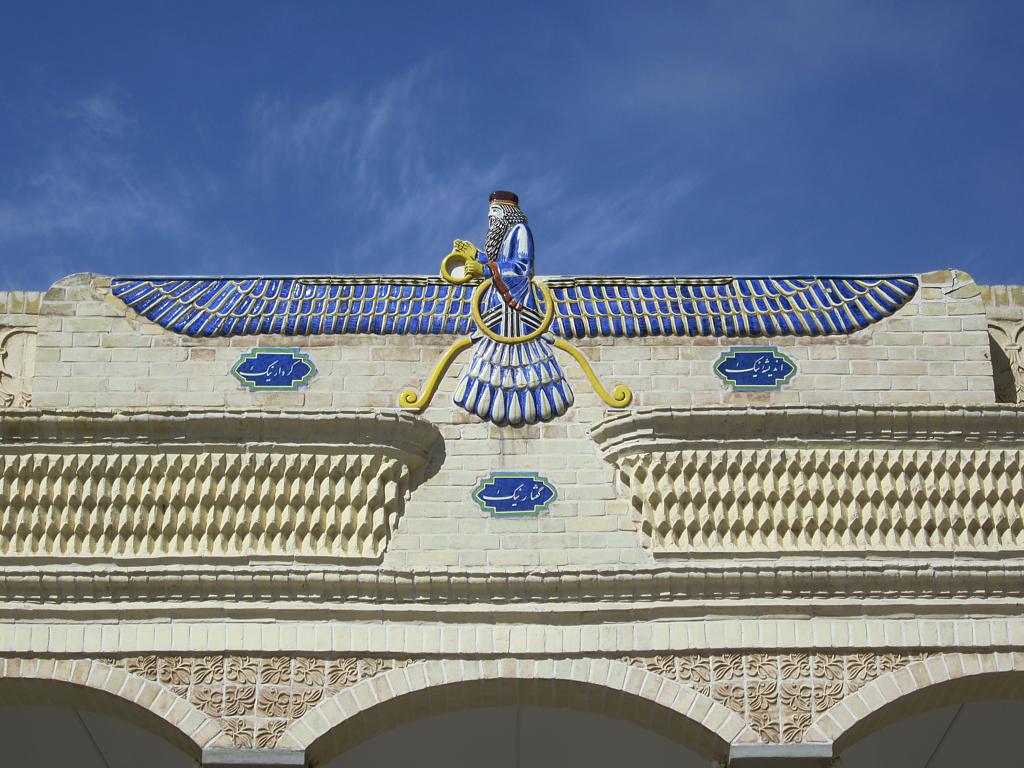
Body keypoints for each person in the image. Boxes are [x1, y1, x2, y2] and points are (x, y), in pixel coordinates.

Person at [450, 192, 573, 426]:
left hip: (518, 311)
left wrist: (484, 270)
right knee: (490, 361)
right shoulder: (505, 235)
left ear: (507, 213)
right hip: (497, 311)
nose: (491, 219)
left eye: (495, 214)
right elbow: (498, 261)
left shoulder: (520, 231)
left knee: (524, 362)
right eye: (489, 215)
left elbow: (520, 268)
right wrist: (476, 256)